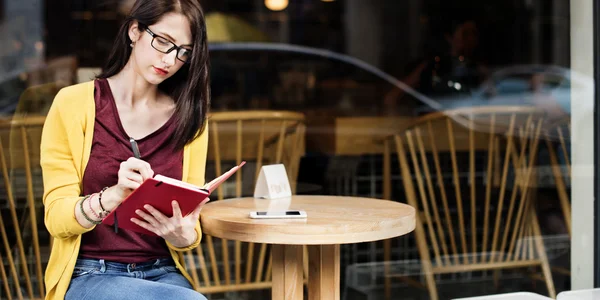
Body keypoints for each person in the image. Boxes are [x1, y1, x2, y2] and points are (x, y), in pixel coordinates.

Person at [40, 0, 210, 299]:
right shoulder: (74, 103)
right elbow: (56, 218)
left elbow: (191, 223)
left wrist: (184, 236)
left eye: (184, 52)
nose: (170, 60)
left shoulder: (189, 118)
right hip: (89, 272)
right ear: (134, 31)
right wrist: (114, 195)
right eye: (163, 42)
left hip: (163, 271)